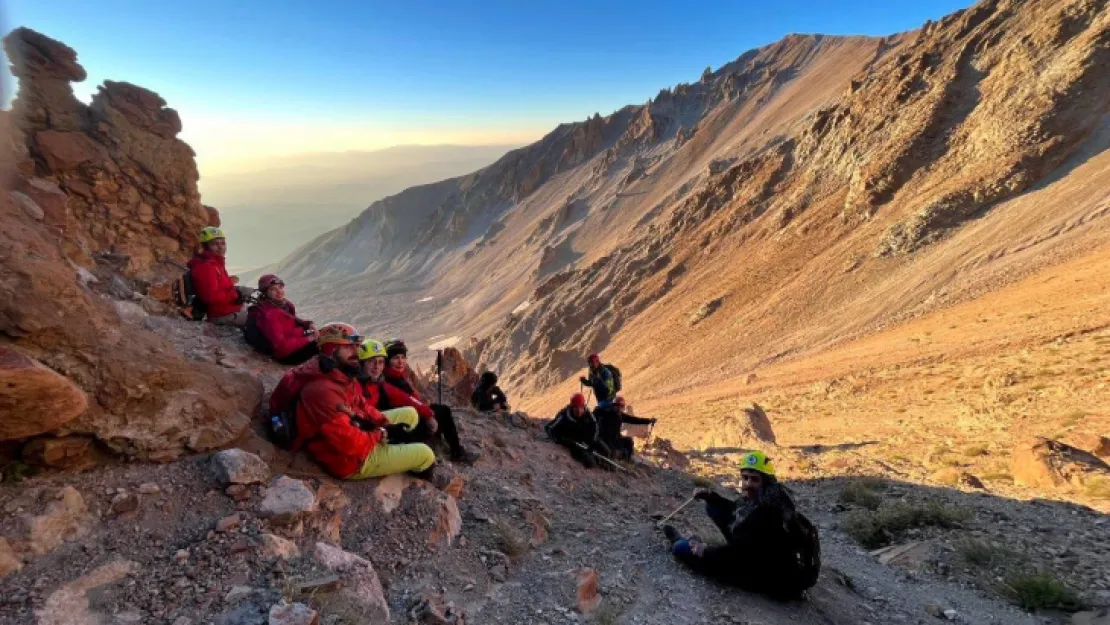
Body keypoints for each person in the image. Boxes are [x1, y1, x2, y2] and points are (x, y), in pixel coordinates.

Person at [661, 451, 821, 598]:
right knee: (714, 507)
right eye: (745, 478)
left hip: (768, 575)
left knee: (680, 548)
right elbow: (736, 511)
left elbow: (737, 553)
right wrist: (712, 496)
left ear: (765, 481)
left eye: (754, 479)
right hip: (758, 555)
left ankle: (680, 540)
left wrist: (706, 551)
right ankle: (695, 542)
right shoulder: (768, 497)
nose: (748, 484)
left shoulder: (768, 511)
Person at [289, 323, 436, 481]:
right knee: (426, 455)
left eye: (357, 346)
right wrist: (382, 434)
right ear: (331, 349)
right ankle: (418, 480)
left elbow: (362, 405)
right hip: (349, 460)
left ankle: (399, 454)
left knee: (410, 414)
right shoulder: (322, 391)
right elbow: (350, 444)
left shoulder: (340, 375)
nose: (356, 352)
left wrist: (385, 423)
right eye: (349, 347)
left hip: (356, 431)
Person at [358, 339, 480, 464]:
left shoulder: (393, 377)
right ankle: (455, 453)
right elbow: (406, 400)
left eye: (402, 357)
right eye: (395, 358)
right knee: (442, 412)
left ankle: (447, 448)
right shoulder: (386, 381)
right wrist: (427, 413)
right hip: (395, 425)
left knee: (440, 410)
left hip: (394, 422)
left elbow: (409, 398)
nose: (400, 361)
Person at [187, 226, 254, 326]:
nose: (221, 247)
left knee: (250, 293)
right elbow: (210, 297)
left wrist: (232, 284)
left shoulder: (216, 263)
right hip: (221, 315)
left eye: (223, 243)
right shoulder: (206, 267)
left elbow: (219, 285)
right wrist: (235, 295)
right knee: (261, 319)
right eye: (215, 244)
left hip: (228, 308)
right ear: (206, 247)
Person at [245, 274, 318, 364]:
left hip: (290, 340)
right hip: (283, 354)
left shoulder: (285, 305)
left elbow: (293, 320)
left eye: (280, 287)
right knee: (323, 347)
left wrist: (309, 324)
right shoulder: (268, 314)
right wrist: (309, 339)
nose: (279, 291)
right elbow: (281, 347)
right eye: (273, 289)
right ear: (265, 292)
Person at [544, 393, 613, 469]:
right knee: (590, 462)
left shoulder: (588, 413)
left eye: (581, 407)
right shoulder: (564, 415)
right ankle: (597, 461)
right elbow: (549, 428)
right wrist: (559, 440)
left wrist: (592, 441)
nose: (579, 410)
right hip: (574, 443)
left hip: (587, 438)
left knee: (607, 452)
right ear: (572, 407)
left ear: (584, 406)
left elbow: (595, 427)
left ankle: (604, 462)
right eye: (576, 407)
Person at [594, 395, 656, 460]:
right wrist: (596, 410)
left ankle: (627, 459)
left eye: (620, 407)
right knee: (614, 452)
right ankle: (617, 457)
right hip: (606, 439)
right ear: (613, 406)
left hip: (616, 438)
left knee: (629, 441)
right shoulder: (606, 413)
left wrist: (649, 421)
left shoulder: (621, 415)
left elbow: (634, 420)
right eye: (617, 406)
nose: (618, 409)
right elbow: (596, 413)